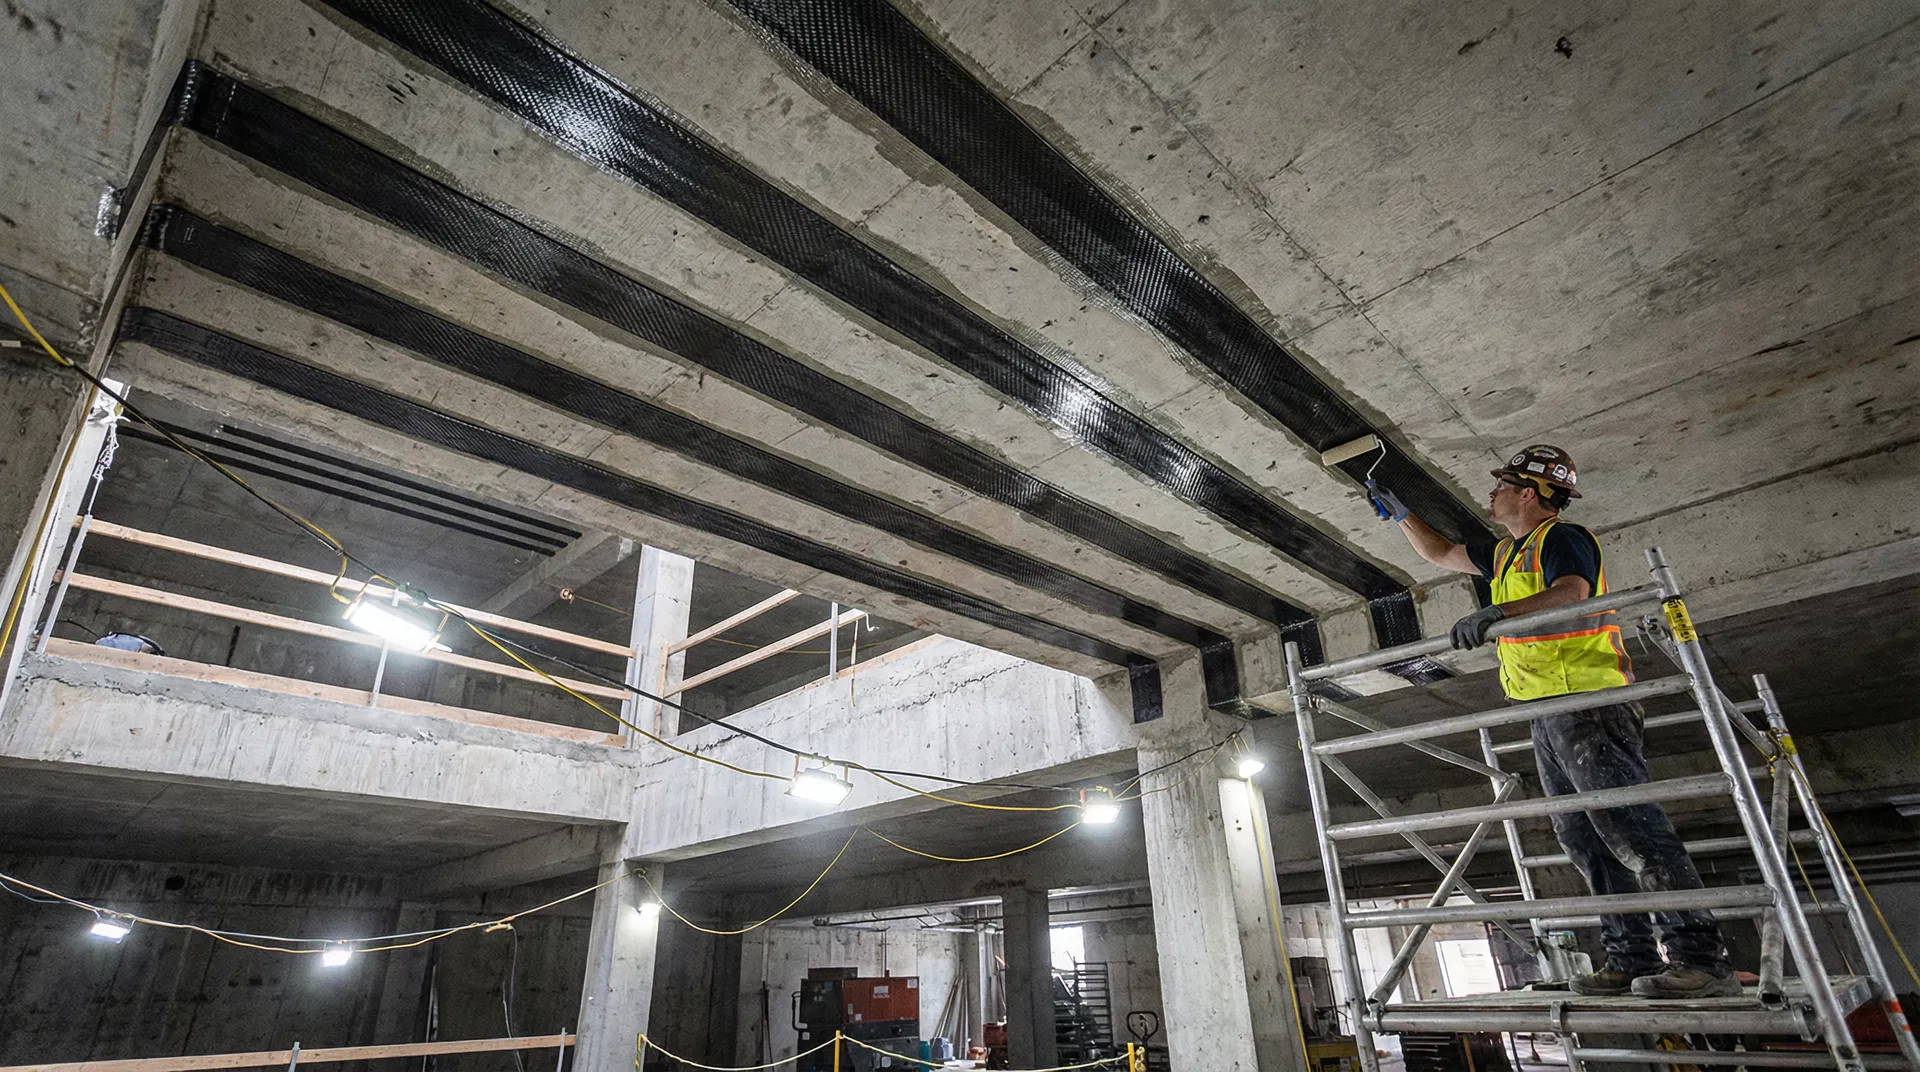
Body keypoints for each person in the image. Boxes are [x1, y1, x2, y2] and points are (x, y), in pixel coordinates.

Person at [1368, 445, 1738, 999]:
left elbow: (1573, 595)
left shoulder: (1565, 538)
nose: (1490, 492)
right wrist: (1402, 516)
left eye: (1502, 484)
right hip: (1545, 709)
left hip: (1588, 700)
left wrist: (1499, 613)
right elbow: (1442, 553)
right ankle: (1630, 958)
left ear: (1530, 493)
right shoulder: (1507, 554)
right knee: (1584, 837)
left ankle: (1701, 959)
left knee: (1629, 828)